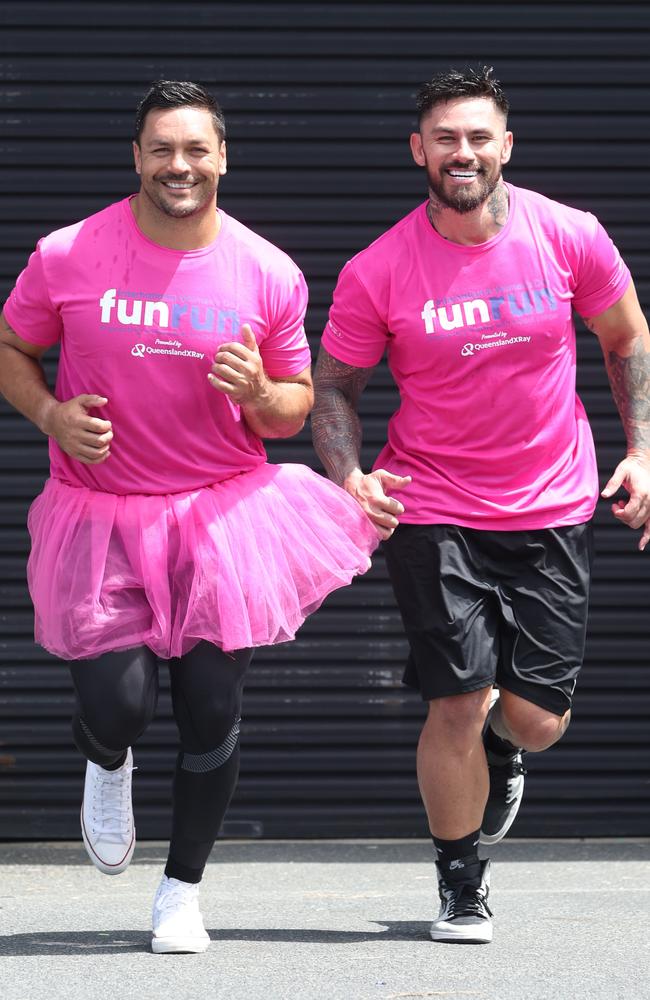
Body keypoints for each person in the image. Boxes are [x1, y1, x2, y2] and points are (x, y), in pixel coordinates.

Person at [0, 80, 377, 954]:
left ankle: (181, 891)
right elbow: (13, 348)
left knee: (210, 709)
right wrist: (51, 415)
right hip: (101, 515)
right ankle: (107, 760)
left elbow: (292, 406)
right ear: (135, 157)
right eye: (162, 149)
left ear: (222, 159)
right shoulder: (68, 254)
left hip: (220, 516)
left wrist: (260, 394)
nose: (180, 165)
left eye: (196, 149)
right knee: (121, 705)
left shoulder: (267, 270)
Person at [311, 66, 650, 944]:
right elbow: (335, 385)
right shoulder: (379, 267)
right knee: (455, 700)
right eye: (444, 139)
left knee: (537, 720)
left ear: (505, 145)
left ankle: (505, 750)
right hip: (434, 507)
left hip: (550, 504)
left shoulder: (569, 236)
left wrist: (644, 450)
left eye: (478, 137)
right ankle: (461, 883)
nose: (462, 153)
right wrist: (350, 475)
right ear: (419, 150)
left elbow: (625, 336)